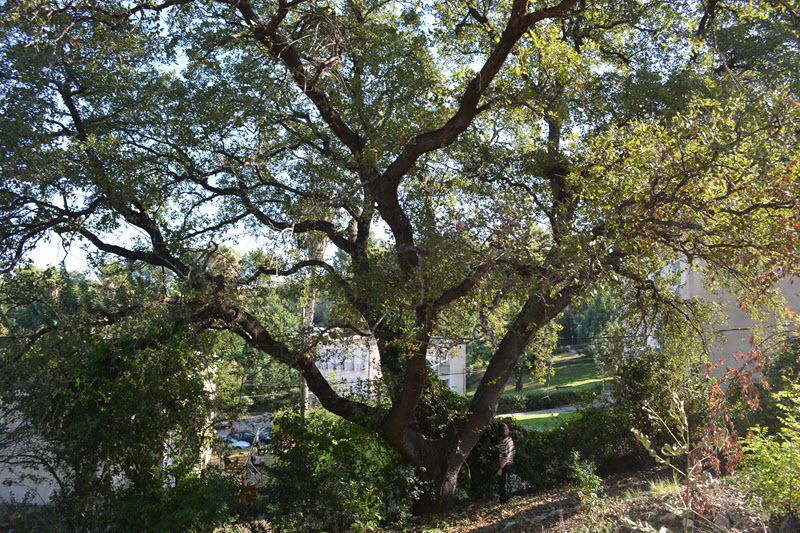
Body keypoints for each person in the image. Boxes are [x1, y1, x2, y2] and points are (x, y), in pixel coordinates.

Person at [497, 422, 515, 504]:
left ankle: (504, 501)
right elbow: (513, 451)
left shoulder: (503, 443)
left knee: (502, 483)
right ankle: (507, 499)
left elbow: (505, 457)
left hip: (505, 465)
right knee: (505, 482)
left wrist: (501, 468)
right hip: (510, 463)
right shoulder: (510, 440)